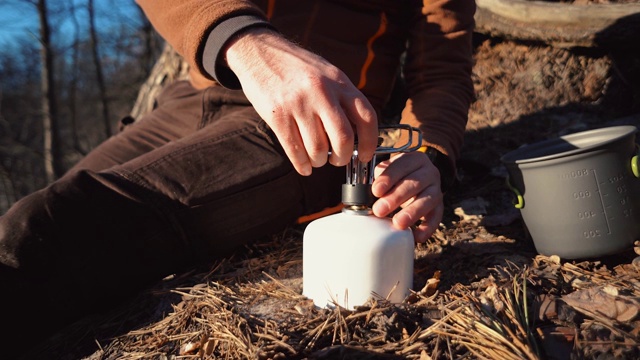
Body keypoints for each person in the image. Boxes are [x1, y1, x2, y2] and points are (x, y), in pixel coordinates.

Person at [0, 0, 475, 355]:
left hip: (310, 130)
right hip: (190, 99)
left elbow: (443, 70)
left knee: (49, 226)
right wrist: (245, 42)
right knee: (28, 223)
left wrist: (427, 152)